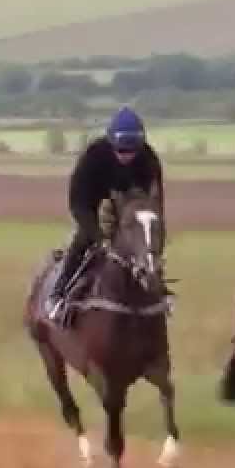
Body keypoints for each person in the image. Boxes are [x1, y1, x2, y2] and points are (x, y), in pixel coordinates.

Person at [46, 106, 167, 320]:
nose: (127, 156)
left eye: (132, 151)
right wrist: (100, 238)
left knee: (145, 241)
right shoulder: (93, 158)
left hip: (132, 203)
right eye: (121, 151)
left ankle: (159, 292)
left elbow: (155, 205)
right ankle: (58, 293)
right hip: (91, 203)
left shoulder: (148, 160)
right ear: (111, 144)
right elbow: (78, 203)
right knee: (82, 240)